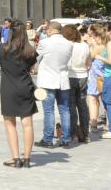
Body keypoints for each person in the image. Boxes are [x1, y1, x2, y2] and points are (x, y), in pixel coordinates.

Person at [0, 21, 37, 169]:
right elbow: (33, 68)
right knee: (27, 124)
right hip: (26, 87)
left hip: (9, 88)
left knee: (10, 123)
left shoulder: (2, 48)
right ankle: (27, 159)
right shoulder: (30, 50)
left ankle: (15, 158)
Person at [34, 21, 73, 149]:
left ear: (50, 30)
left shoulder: (45, 42)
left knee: (49, 111)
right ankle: (66, 139)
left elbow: (36, 56)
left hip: (47, 79)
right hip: (62, 79)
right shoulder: (69, 43)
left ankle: (48, 139)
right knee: (64, 110)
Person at [64, 25, 91, 143]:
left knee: (71, 106)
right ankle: (85, 134)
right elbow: (89, 62)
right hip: (83, 75)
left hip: (70, 75)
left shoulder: (68, 46)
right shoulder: (85, 45)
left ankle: (73, 133)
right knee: (83, 105)